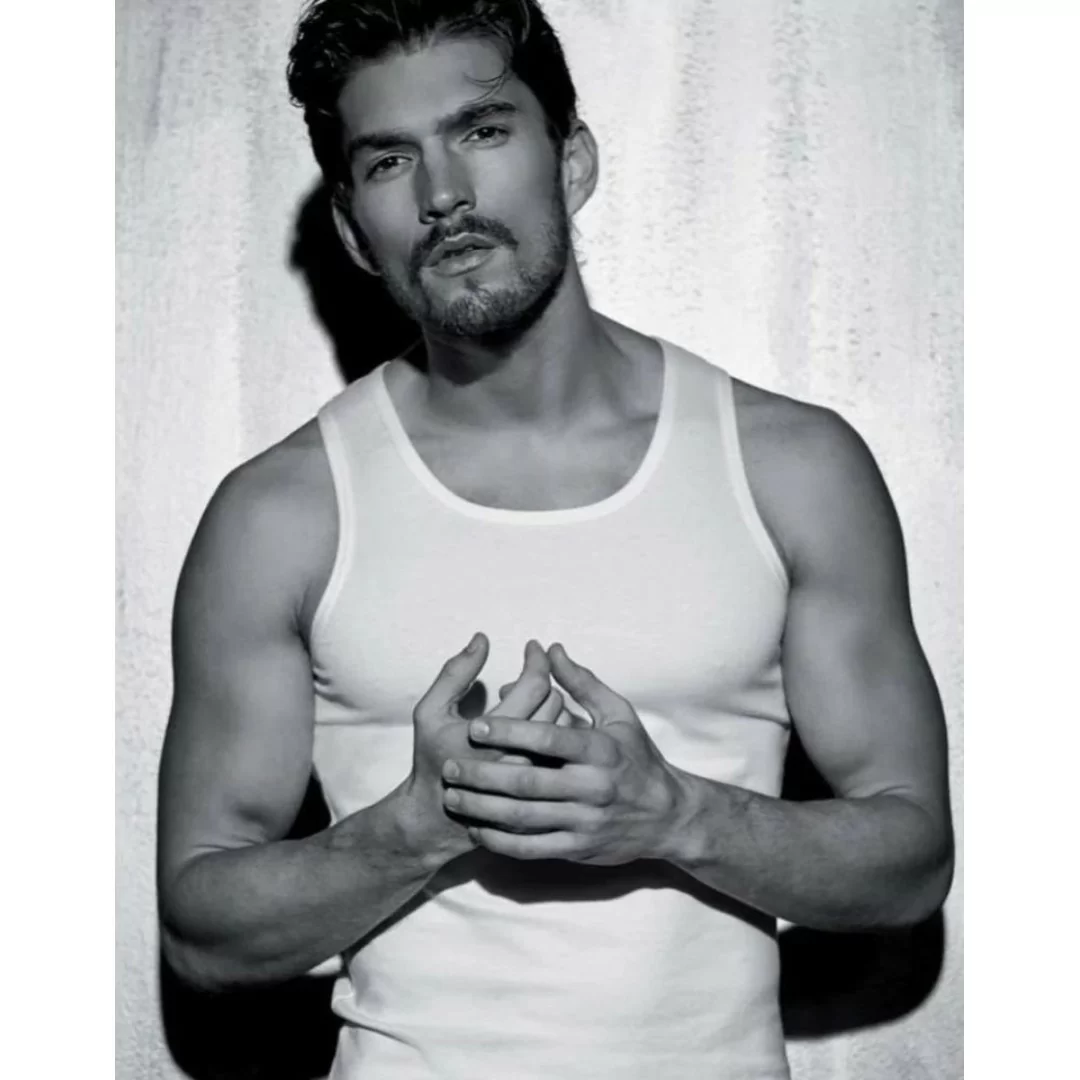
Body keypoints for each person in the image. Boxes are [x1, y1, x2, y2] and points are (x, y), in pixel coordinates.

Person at [155, 1, 954, 1077]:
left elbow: (911, 862)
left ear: (571, 161)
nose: (444, 194)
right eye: (390, 160)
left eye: (483, 131)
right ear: (351, 228)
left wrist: (676, 815)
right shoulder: (281, 513)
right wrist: (417, 827)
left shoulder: (789, 467)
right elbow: (202, 932)